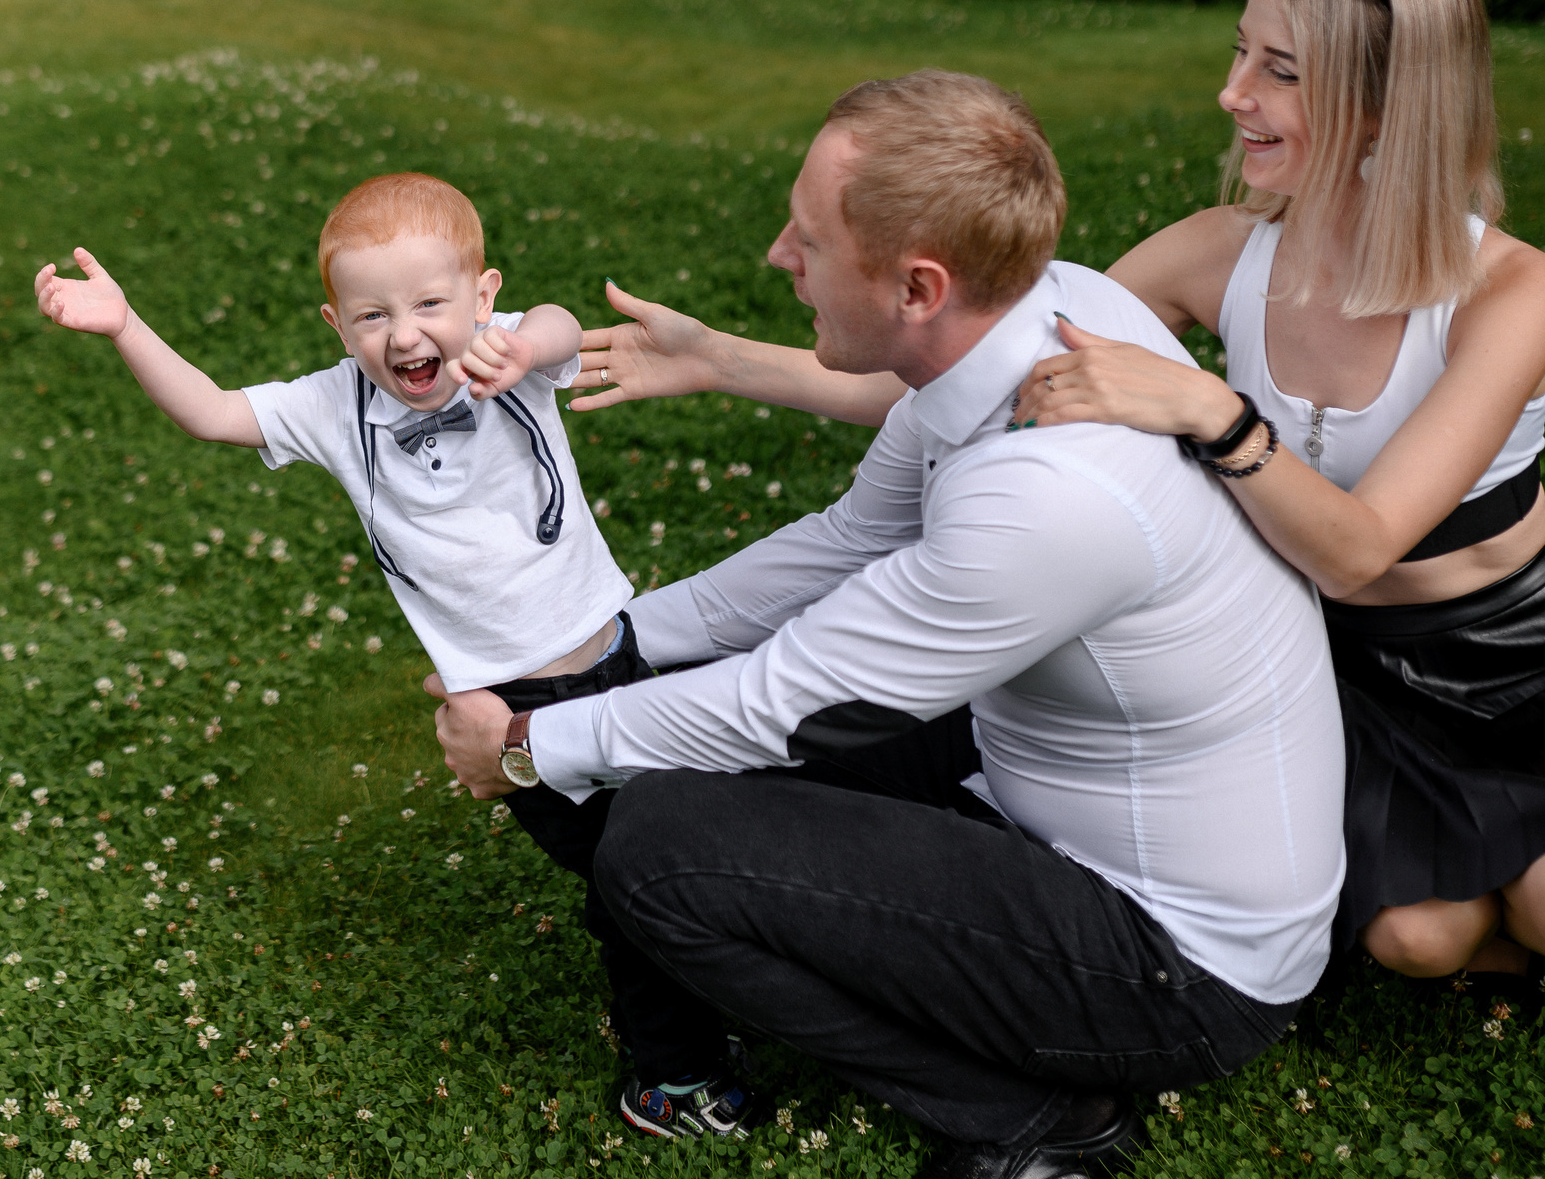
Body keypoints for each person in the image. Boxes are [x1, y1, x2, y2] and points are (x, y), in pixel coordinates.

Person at [573, 0, 1545, 987]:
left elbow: (1360, 549)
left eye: (1280, 72)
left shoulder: (1514, 290)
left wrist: (1213, 413)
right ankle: (1453, 889)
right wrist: (718, 358)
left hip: (1524, 658)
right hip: (1339, 666)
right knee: (1417, 938)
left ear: (1385, 108)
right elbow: (977, 363)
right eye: (1239, 54)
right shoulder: (1222, 251)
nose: (1233, 93)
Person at [431, 71, 1346, 1179]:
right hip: (1035, 786)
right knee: (647, 757)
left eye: (810, 240)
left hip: (1176, 968)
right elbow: (851, 539)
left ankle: (1036, 1123)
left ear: (918, 288)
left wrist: (526, 744)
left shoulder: (1049, 499)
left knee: (658, 850)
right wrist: (599, 651)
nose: (778, 254)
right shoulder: (1046, 313)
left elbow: (780, 704)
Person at [33, 172, 762, 1140]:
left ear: (481, 296)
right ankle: (674, 1076)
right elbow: (211, 411)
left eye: (429, 305)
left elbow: (558, 323)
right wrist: (125, 325)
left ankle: (723, 983)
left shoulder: (510, 355)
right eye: (373, 315)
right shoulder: (336, 409)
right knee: (626, 877)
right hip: (508, 710)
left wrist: (525, 346)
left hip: (619, 651)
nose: (405, 334)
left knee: (693, 830)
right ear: (337, 326)